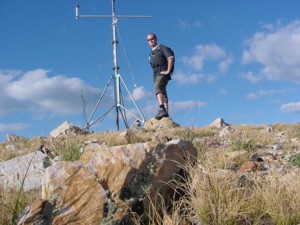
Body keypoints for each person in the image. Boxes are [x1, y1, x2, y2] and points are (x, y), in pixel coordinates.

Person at [147, 33, 174, 120]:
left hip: (162, 72)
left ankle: (162, 109)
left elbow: (170, 58)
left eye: (152, 38)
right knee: (162, 92)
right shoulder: (151, 53)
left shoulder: (161, 47)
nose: (151, 41)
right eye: (148, 40)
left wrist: (168, 70)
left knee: (157, 86)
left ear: (156, 39)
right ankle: (166, 114)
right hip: (155, 74)